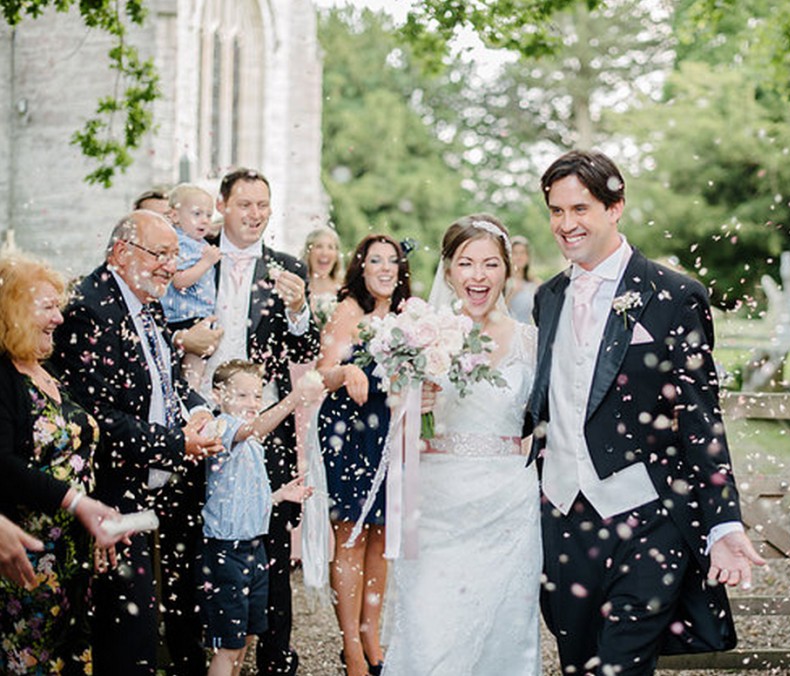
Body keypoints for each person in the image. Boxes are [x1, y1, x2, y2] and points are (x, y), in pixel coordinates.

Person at [527, 150, 764, 676]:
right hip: (564, 518)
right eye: (556, 211)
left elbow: (702, 417)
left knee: (622, 667)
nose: (566, 224)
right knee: (578, 665)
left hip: (647, 519)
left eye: (580, 209)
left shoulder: (675, 296)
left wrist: (723, 522)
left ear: (616, 207)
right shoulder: (548, 298)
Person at [49, 211, 223, 675]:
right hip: (103, 494)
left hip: (144, 486)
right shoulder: (89, 309)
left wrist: (198, 410)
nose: (170, 265)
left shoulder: (147, 299)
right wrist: (176, 444)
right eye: (160, 254)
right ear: (122, 253)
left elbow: (165, 380)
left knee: (139, 625)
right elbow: (98, 418)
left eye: (174, 255)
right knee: (122, 631)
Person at [382, 214, 542, 676]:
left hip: (509, 507)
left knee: (505, 632)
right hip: (436, 507)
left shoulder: (532, 343)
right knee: (432, 632)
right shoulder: (418, 337)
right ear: (449, 270)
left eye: (491, 264)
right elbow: (396, 433)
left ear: (507, 270)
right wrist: (413, 401)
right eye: (466, 263)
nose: (478, 276)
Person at [176, 167, 319, 676]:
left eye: (263, 205)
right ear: (222, 205)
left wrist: (300, 308)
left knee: (271, 542)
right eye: (245, 205)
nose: (255, 215)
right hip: (198, 420)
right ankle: (194, 656)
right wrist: (183, 340)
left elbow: (306, 347)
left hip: (265, 427)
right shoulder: (192, 256)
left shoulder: (284, 268)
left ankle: (275, 658)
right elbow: (167, 320)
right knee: (195, 535)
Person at [0, 254, 125, 674]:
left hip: (76, 560)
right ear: (12, 311)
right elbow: (3, 465)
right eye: (47, 307)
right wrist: (76, 502)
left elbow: (80, 453)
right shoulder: (4, 378)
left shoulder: (50, 371)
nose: (59, 317)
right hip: (24, 559)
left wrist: (99, 511)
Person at [315, 233, 411, 676]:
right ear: (362, 267)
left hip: (390, 430)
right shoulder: (348, 310)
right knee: (351, 535)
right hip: (349, 431)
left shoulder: (409, 316)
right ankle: (350, 646)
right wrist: (349, 367)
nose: (385, 267)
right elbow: (323, 375)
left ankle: (371, 632)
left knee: (381, 536)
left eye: (392, 260)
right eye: (376, 260)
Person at [200, 360, 321, 676]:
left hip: (255, 550)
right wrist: (295, 397)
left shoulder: (253, 445)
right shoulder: (221, 427)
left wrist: (280, 496)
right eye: (241, 396)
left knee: (245, 640)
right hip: (226, 552)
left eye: (256, 397)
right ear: (217, 395)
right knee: (228, 644)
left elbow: (246, 499)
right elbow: (251, 428)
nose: (252, 404)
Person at [161, 183, 220, 389]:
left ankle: (189, 401)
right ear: (175, 216)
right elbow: (179, 280)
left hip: (196, 314)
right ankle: (186, 401)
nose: (204, 220)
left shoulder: (199, 242)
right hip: (183, 316)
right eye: (197, 213)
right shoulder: (179, 242)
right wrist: (206, 262)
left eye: (208, 215)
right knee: (186, 374)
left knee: (194, 371)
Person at [303, 228, 345, 328]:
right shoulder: (300, 290)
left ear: (336, 255)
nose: (324, 253)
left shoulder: (345, 291)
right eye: (319, 246)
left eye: (330, 247)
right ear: (309, 252)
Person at [506, 234, 540, 323]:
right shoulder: (503, 282)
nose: (519, 257)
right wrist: (511, 294)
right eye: (515, 253)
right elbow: (496, 314)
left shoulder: (535, 283)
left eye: (522, 253)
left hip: (527, 331)